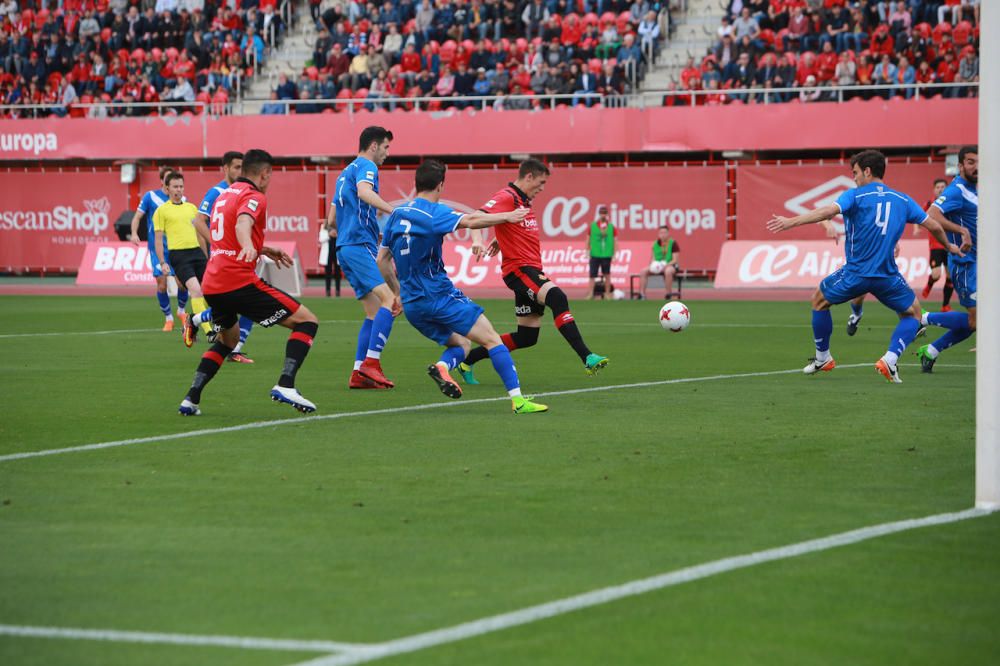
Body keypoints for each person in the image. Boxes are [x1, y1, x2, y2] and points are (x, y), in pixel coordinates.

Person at [766, 149, 961, 384]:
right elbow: (934, 226)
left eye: (856, 172)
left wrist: (790, 222)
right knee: (914, 314)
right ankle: (890, 359)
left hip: (856, 273)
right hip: (887, 276)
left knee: (818, 300)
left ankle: (823, 357)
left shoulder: (855, 196)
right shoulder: (902, 199)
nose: (855, 177)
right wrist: (949, 247)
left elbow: (827, 211)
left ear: (867, 171)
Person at [377, 160, 547, 414]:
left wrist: (397, 293)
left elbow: (382, 260)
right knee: (491, 340)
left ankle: (444, 367)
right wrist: (507, 216)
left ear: (416, 183)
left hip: (412, 305)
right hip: (438, 296)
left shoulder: (396, 215)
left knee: (461, 345)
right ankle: (518, 400)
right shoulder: (435, 213)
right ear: (441, 185)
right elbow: (471, 221)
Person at [178, 149, 320, 415]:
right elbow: (243, 225)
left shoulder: (224, 195)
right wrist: (248, 246)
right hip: (238, 281)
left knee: (227, 341)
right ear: (264, 174)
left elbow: (227, 231)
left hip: (213, 283)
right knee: (307, 322)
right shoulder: (255, 196)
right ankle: (286, 385)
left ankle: (191, 398)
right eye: (270, 175)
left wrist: (262, 248)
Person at [457, 159, 609, 385]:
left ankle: (467, 360)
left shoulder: (523, 201)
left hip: (529, 269)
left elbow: (511, 226)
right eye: (540, 183)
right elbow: (476, 217)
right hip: (519, 270)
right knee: (558, 297)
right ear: (528, 177)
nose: (542, 188)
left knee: (527, 337)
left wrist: (501, 238)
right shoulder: (507, 196)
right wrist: (478, 240)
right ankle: (587, 357)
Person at [334, 126, 399, 389]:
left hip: (345, 246)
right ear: (373, 146)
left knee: (373, 311)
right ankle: (371, 364)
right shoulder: (367, 166)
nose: (387, 153)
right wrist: (393, 211)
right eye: (385, 147)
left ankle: (358, 373)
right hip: (358, 245)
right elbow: (364, 192)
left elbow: (331, 219)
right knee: (390, 301)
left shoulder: (343, 173)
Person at [187, 151, 256, 363]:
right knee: (249, 304)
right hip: (227, 261)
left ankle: (196, 320)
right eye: (236, 167)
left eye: (241, 168)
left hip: (240, 257)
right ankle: (232, 348)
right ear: (225, 168)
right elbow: (198, 221)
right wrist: (217, 245)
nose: (239, 171)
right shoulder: (217, 191)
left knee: (237, 307)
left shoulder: (243, 191)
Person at [916, 146, 978, 372]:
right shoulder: (957, 190)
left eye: (978, 162)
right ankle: (925, 318)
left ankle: (930, 351)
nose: (976, 166)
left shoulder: (976, 190)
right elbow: (932, 214)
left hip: (979, 263)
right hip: (965, 263)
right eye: (970, 162)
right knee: (977, 320)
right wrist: (961, 231)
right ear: (960, 166)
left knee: (976, 321)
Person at [152, 172, 212, 341]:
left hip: (197, 254)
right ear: (167, 188)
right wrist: (162, 261)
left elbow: (200, 235)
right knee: (196, 290)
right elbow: (158, 239)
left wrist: (206, 256)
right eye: (175, 187)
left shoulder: (192, 208)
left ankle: (191, 323)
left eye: (181, 186)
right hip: (179, 256)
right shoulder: (161, 211)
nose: (178, 190)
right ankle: (209, 332)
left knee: (211, 292)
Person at [129, 165, 189, 331]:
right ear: (163, 181)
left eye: (177, 183)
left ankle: (181, 311)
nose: (174, 185)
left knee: (183, 284)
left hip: (178, 248)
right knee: (162, 285)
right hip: (158, 249)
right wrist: (134, 233)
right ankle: (168, 318)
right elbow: (137, 217)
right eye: (169, 180)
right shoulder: (151, 197)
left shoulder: (183, 200)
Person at [915, 178, 954, 312]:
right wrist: (916, 228)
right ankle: (930, 283)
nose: (941, 189)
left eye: (943, 187)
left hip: (950, 245)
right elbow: (917, 216)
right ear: (934, 189)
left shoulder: (951, 204)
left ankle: (945, 305)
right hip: (936, 246)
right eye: (938, 187)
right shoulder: (930, 204)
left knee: (950, 276)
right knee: (937, 275)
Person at [638, 226, 681, 299]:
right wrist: (653, 265)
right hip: (658, 264)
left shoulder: (673, 243)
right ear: (658, 234)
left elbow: (675, 260)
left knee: (668, 271)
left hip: (670, 265)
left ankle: (668, 294)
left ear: (668, 233)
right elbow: (653, 258)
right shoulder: (655, 244)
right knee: (643, 271)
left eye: (665, 232)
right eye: (661, 233)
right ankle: (642, 294)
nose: (663, 234)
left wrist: (665, 265)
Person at [586, 205, 615, 300]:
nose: (603, 215)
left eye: (605, 213)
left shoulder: (611, 226)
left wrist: (614, 253)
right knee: (592, 275)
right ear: (599, 214)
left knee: (607, 274)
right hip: (595, 253)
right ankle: (590, 293)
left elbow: (615, 240)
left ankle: (607, 293)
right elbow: (588, 239)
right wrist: (587, 250)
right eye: (601, 213)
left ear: (607, 214)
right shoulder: (593, 226)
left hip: (606, 254)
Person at [322, 203, 342, 297]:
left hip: (337, 251)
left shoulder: (340, 224)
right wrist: (329, 234)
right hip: (328, 251)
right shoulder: (325, 226)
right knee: (328, 272)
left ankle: (338, 291)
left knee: (337, 272)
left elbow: (344, 236)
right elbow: (320, 238)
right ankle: (328, 291)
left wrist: (337, 235)